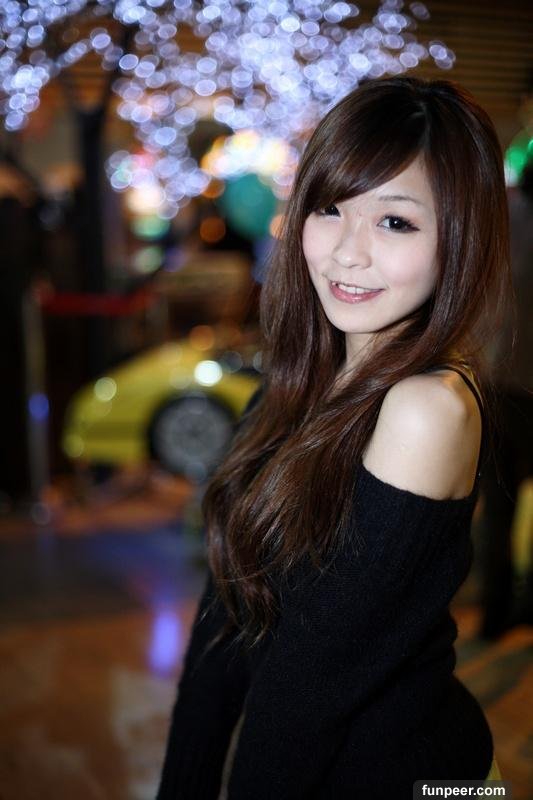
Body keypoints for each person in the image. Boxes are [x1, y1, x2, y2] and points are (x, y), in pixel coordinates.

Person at [156, 76, 511, 799]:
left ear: (459, 238)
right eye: (330, 208)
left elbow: (306, 689)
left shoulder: (426, 408)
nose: (348, 253)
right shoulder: (299, 377)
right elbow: (226, 614)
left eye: (395, 222)